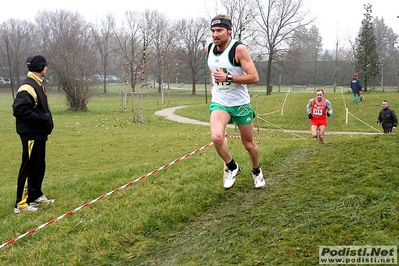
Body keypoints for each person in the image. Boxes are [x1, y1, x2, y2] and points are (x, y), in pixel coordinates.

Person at [205, 14, 265, 189]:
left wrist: (228, 77)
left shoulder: (238, 50)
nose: (215, 34)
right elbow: (212, 69)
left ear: (229, 31)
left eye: (220, 30)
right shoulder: (208, 48)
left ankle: (256, 170)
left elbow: (254, 77)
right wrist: (212, 86)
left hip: (240, 104)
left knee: (248, 145)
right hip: (220, 102)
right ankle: (232, 167)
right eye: (213, 31)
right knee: (216, 138)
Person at [12, 54, 55, 213]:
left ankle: (35, 195)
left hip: (39, 134)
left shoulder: (37, 83)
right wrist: (42, 120)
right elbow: (19, 110)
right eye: (45, 66)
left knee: (38, 166)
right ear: (40, 68)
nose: (47, 68)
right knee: (29, 167)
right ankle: (21, 204)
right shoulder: (27, 87)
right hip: (31, 134)